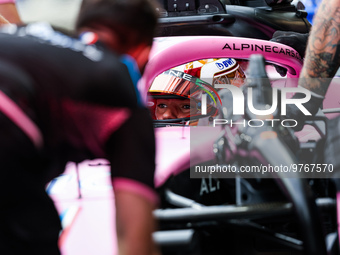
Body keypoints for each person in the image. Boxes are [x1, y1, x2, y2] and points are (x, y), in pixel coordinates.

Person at [0, 0, 159, 254]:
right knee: (37, 232)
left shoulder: (31, 33)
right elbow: (134, 237)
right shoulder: (119, 87)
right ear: (142, 52)